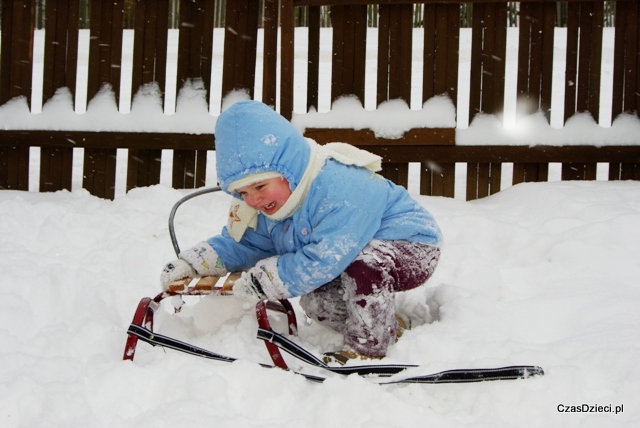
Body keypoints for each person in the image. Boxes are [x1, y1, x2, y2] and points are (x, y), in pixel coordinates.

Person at [160, 100, 442, 364]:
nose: (253, 200)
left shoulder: (339, 187)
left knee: (365, 264)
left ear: (289, 169)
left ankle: (369, 347)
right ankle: (389, 323)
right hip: (352, 255)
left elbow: (324, 258)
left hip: (411, 245)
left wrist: (269, 278)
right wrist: (193, 263)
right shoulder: (271, 206)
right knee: (316, 300)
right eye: (242, 192)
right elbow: (245, 245)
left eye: (260, 187)